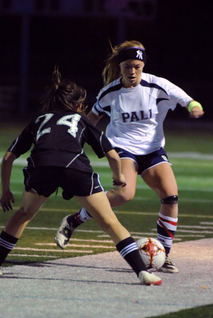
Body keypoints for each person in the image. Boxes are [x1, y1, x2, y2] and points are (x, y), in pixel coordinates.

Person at [0, 67, 162, 285]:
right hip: (74, 168)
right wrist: (118, 179)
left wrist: (6, 191)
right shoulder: (81, 119)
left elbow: (8, 158)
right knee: (109, 222)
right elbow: (113, 156)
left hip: (42, 167)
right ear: (77, 104)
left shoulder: (38, 121)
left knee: (23, 214)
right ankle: (143, 272)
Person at [55, 40, 204, 273]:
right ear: (120, 66)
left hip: (153, 150)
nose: (132, 71)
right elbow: (90, 121)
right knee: (124, 194)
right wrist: (73, 143)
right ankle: (75, 220)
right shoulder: (111, 92)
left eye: (136, 66)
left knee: (171, 197)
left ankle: (163, 255)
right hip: (122, 148)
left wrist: (194, 107)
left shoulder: (158, 86)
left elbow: (189, 100)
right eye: (126, 66)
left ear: (143, 64)